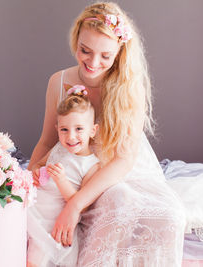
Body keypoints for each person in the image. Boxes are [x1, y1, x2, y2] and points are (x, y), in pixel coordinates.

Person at [28, 2, 186, 266]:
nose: (93, 62)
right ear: (76, 40)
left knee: (165, 213)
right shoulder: (58, 82)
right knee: (117, 202)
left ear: (118, 53)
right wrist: (32, 174)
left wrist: (75, 204)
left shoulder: (128, 88)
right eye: (85, 50)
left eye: (105, 55)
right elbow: (47, 140)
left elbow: (123, 160)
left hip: (117, 167)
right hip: (77, 165)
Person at [28, 86, 100, 267]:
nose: (71, 136)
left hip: (53, 217)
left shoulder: (92, 165)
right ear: (57, 128)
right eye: (64, 130)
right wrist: (36, 172)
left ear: (93, 130)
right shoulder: (59, 148)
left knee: (36, 256)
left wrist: (62, 181)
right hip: (36, 205)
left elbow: (81, 205)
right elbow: (39, 164)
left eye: (79, 129)